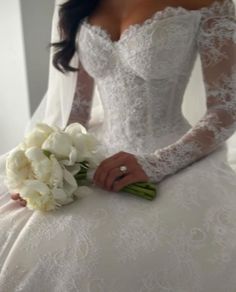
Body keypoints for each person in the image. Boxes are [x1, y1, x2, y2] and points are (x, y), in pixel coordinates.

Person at [1, 0, 236, 290]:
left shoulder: (211, 2)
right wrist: (46, 171)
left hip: (172, 152)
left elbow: (225, 108)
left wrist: (157, 163)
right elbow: (76, 113)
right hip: (94, 153)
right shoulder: (76, 5)